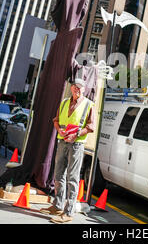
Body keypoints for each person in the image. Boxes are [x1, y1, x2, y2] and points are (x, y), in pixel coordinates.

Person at [40, 78, 95, 224]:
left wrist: (76, 134)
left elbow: (91, 127)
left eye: (80, 87)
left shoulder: (89, 104)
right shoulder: (64, 102)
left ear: (84, 89)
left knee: (72, 178)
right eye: (75, 87)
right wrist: (60, 130)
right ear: (71, 88)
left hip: (76, 145)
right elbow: (56, 120)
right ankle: (57, 206)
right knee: (58, 175)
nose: (77, 89)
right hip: (62, 142)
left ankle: (69, 212)